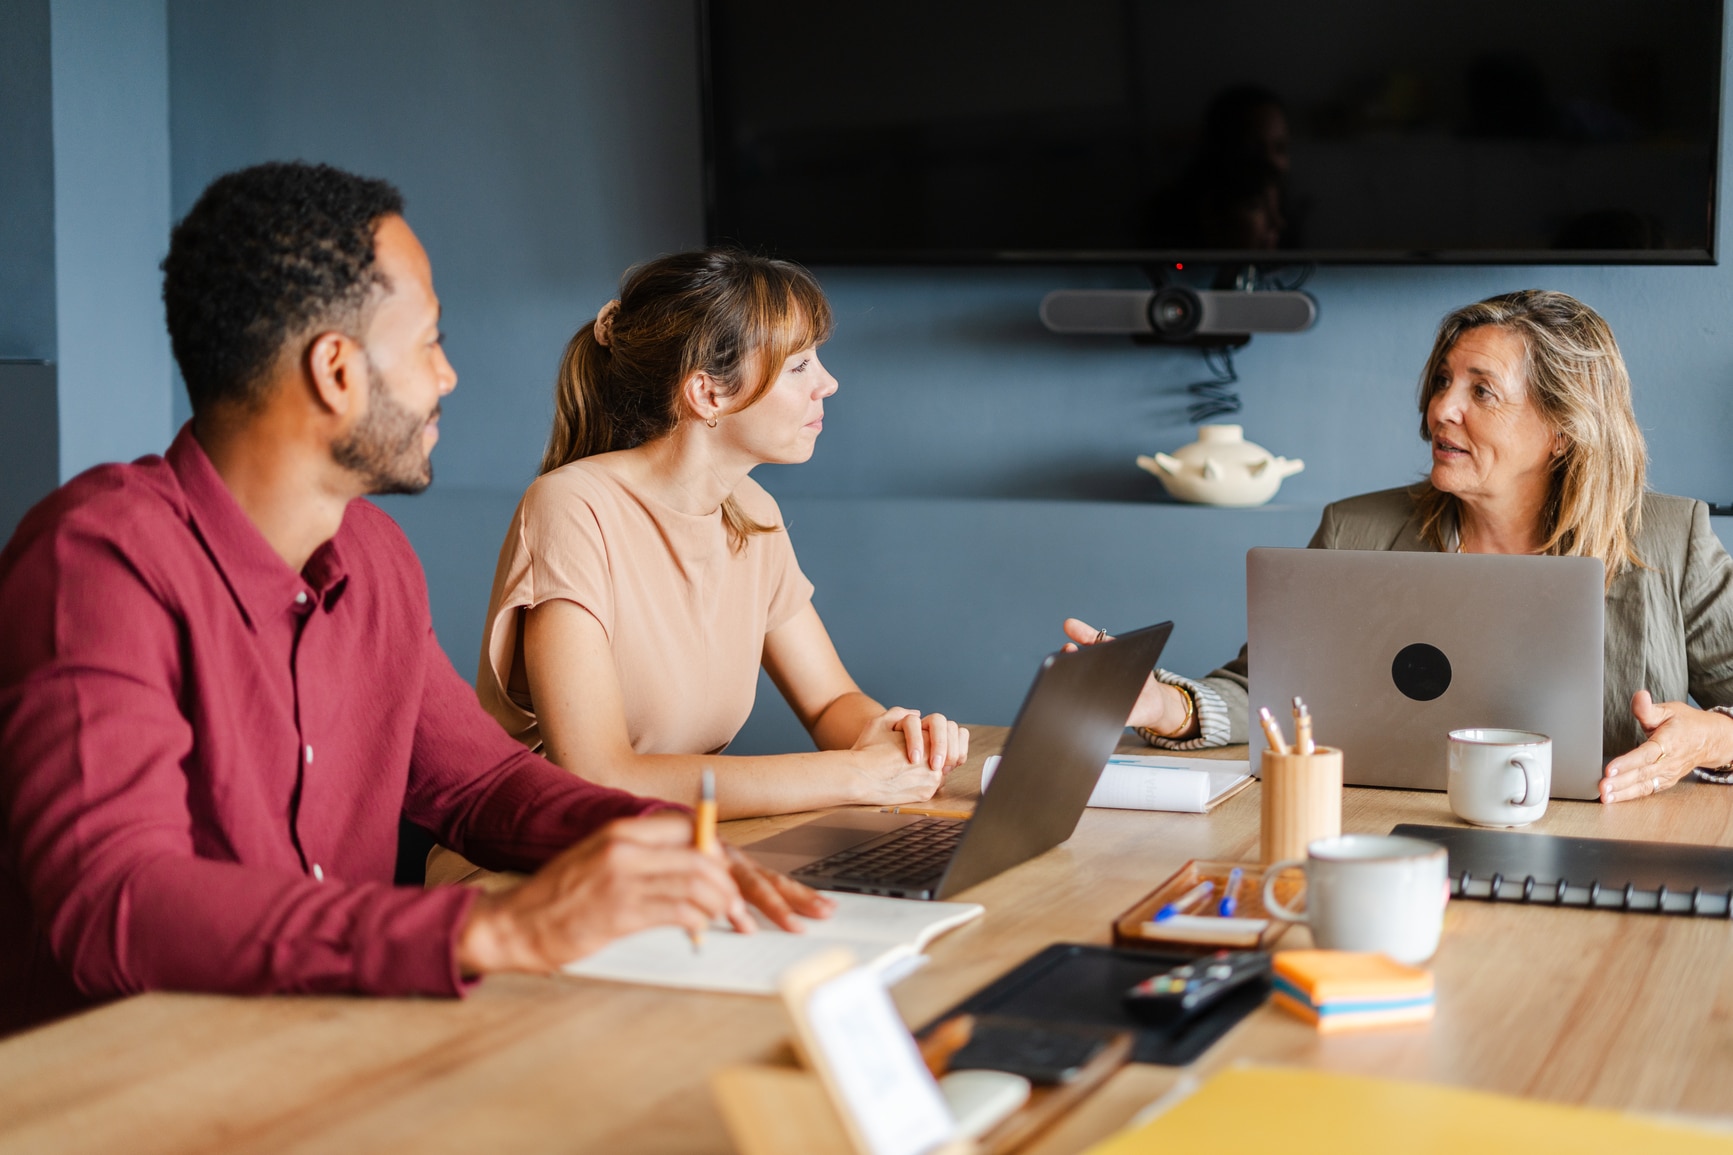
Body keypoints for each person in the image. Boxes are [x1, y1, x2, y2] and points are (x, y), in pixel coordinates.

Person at [0, 162, 828, 1038]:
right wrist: (495, 927)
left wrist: (665, 848)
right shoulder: (98, 560)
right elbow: (116, 903)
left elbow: (483, 785)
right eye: (429, 341)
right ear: (337, 371)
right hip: (120, 1086)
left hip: (326, 1045)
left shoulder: (373, 557)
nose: (448, 376)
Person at [1066, 290, 1733, 804]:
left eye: (1481, 391)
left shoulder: (1672, 540)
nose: (1440, 409)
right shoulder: (1354, 532)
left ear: (1562, 429)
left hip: (1609, 845)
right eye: (1443, 382)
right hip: (1395, 834)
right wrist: (1162, 705)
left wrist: (1710, 737)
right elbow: (1268, 693)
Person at [471, 251, 967, 823]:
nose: (828, 383)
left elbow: (831, 701)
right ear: (708, 394)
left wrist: (896, 738)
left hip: (677, 848)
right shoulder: (573, 506)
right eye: (798, 365)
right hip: (538, 866)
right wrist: (854, 774)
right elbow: (600, 777)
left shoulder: (752, 513)